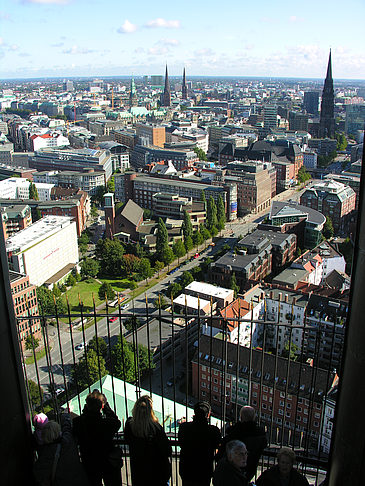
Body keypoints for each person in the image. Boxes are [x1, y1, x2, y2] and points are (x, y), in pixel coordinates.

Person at [73, 390, 122, 486]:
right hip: (108, 461)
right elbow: (117, 422)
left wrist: (86, 410)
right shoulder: (107, 423)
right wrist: (106, 406)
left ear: (87, 405)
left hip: (89, 462)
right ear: (101, 406)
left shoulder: (78, 423)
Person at [124, 395, 171, 486]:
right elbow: (167, 450)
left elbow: (128, 440)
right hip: (157, 473)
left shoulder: (130, 425)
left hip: (139, 472)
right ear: (150, 411)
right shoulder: (156, 428)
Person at [33, 413, 90, 486]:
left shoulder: (46, 454)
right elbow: (67, 428)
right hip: (79, 480)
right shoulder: (68, 441)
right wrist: (65, 415)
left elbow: (39, 475)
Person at [218, 405, 267, 481]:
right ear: (254, 417)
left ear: (241, 417)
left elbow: (223, 447)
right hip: (250, 469)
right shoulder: (261, 435)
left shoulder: (234, 432)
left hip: (232, 470)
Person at [178, 401, 221, 486]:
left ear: (194, 412)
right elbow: (217, 446)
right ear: (208, 415)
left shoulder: (184, 428)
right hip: (204, 470)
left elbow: (181, 443)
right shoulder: (214, 431)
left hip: (187, 469)